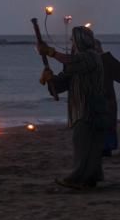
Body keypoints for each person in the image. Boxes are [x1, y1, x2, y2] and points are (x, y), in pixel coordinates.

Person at [38, 26, 109, 189]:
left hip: (91, 108)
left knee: (85, 145)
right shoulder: (75, 62)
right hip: (80, 110)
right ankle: (89, 179)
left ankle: (77, 178)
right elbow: (63, 81)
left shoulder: (92, 57)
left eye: (73, 40)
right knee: (86, 145)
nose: (71, 43)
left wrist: (51, 52)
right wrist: (50, 79)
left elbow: (72, 62)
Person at [96, 40, 120, 157]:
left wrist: (106, 56)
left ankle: (105, 148)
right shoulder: (85, 62)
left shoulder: (106, 60)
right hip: (92, 102)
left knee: (107, 127)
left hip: (106, 100)